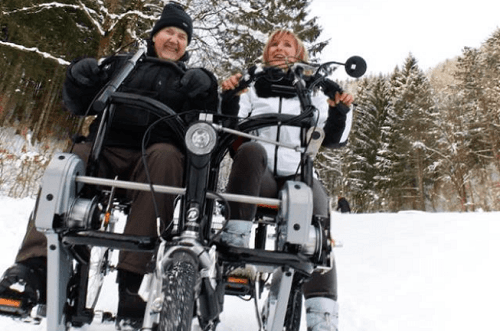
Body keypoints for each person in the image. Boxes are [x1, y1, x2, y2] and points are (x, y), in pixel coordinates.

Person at [0, 2, 218, 328]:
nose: (174, 40)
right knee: (69, 161)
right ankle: (33, 266)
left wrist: (207, 87)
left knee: (168, 158)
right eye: (169, 32)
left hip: (153, 157)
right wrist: (78, 75)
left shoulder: (189, 80)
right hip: (105, 147)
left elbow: (208, 122)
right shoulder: (121, 65)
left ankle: (131, 282)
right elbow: (77, 103)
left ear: (187, 45)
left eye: (182, 36)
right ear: (155, 35)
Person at [220, 29, 354, 331]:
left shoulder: (316, 92)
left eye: (287, 45)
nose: (280, 49)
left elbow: (334, 138)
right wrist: (228, 97)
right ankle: (235, 242)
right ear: (267, 53)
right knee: (251, 149)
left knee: (317, 232)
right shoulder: (252, 86)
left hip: (299, 175)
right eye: (274, 45)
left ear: (300, 55)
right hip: (260, 176)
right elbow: (230, 127)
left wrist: (340, 111)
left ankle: (322, 316)